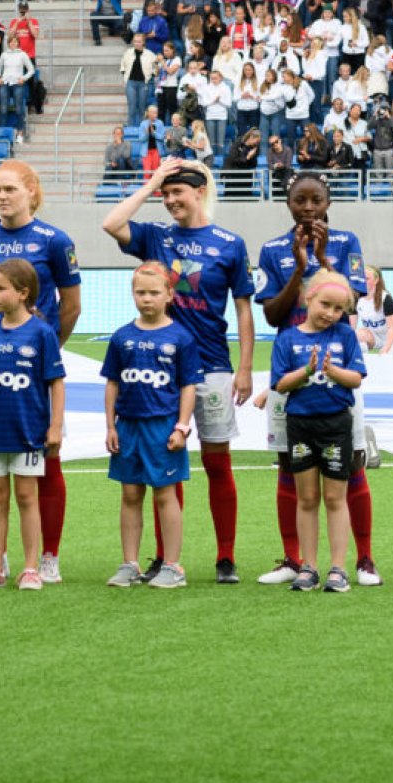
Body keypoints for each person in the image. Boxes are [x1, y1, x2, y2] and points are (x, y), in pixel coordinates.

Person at [101, 158, 255, 583]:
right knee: (163, 460)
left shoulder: (229, 243)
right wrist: (150, 182)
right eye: (165, 195)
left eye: (177, 193)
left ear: (199, 191)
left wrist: (244, 367)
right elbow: (111, 223)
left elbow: (243, 310)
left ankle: (226, 557)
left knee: (217, 460)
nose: (170, 201)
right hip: (161, 372)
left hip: (212, 368)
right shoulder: (156, 236)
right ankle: (165, 557)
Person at [255, 172, 379, 587]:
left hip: (339, 368)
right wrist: (300, 269)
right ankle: (296, 559)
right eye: (300, 200)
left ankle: (363, 560)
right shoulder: (273, 249)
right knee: (290, 466)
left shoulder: (346, 244)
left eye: (316, 200)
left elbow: (350, 300)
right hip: (292, 370)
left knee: (351, 465)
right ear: (287, 202)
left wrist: (324, 261)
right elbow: (272, 314)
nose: (308, 208)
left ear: (328, 201)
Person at [0, 161, 80, 582]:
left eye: (10, 188)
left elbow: (72, 305)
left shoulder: (55, 241)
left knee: (48, 461)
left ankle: (47, 554)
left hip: (34, 370)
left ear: (32, 191)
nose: (1, 196)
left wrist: (42, 351)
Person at [0, 258, 64, 591]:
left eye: (0, 288)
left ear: (23, 293)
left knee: (26, 496)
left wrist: (54, 426)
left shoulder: (41, 333)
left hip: (28, 431)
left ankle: (32, 568)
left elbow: (56, 383)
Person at [102, 262, 202, 589]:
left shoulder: (181, 338)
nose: (146, 299)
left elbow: (188, 386)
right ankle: (129, 563)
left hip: (163, 428)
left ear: (169, 295)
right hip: (128, 426)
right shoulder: (121, 337)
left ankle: (173, 566)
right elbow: (112, 384)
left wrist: (182, 426)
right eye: (140, 292)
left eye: (154, 293)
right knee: (130, 493)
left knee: (165, 494)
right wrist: (111, 426)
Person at [269, 270, 367, 594]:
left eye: (339, 309)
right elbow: (280, 384)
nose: (331, 314)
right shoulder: (287, 339)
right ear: (308, 298)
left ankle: (338, 568)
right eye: (325, 304)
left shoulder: (345, 336)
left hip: (336, 424)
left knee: (335, 498)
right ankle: (308, 567)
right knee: (307, 498)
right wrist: (307, 371)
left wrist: (331, 371)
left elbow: (356, 378)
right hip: (300, 425)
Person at [352, 266, 393, 356]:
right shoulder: (356, 299)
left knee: (389, 364)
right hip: (373, 335)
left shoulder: (386, 299)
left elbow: (392, 328)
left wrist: (386, 349)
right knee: (356, 335)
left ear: (376, 280)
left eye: (367, 278)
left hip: (391, 336)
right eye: (362, 278)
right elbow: (352, 327)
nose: (363, 281)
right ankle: (362, 360)